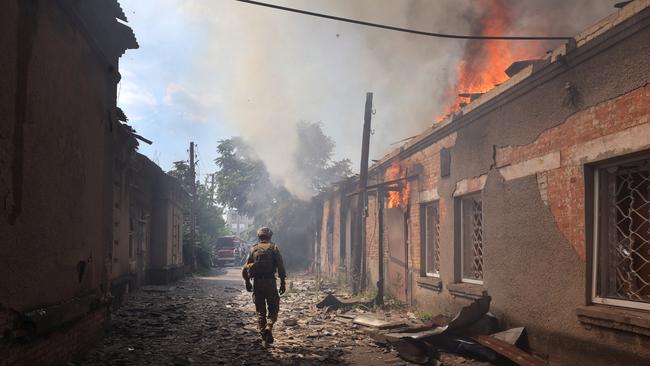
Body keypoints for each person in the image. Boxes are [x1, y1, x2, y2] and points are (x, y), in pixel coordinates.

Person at [242, 227, 286, 347]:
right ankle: (269, 326)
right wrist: (283, 283)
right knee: (274, 308)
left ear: (259, 236)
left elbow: (245, 268)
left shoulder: (254, 249)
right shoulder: (274, 248)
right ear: (270, 236)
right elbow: (281, 267)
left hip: (257, 283)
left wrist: (247, 282)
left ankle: (264, 339)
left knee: (260, 312)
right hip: (270, 282)